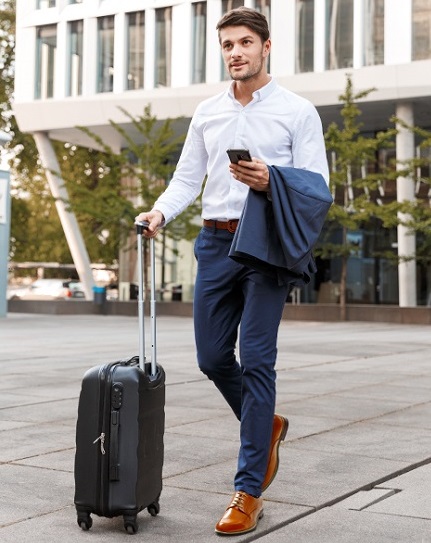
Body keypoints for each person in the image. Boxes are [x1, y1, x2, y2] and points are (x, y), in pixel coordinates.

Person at [136, 6, 329, 536]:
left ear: (267, 47)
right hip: (215, 243)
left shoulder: (297, 111)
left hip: (266, 245)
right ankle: (265, 423)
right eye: (227, 45)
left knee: (257, 358)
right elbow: (185, 179)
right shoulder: (209, 112)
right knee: (213, 356)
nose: (236, 52)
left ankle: (247, 491)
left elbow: (318, 186)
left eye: (245, 42)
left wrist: (272, 180)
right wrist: (159, 211)